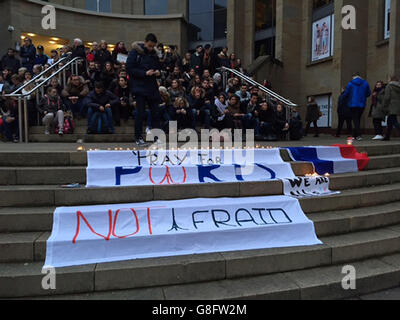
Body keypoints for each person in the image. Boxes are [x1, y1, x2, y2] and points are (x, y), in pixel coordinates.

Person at [126, 33, 162, 146]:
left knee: (155, 113)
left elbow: (159, 67)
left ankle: (157, 137)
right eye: (150, 46)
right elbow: (129, 68)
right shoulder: (135, 52)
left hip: (152, 87)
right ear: (145, 42)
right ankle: (138, 137)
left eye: (153, 46)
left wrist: (158, 72)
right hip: (139, 87)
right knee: (140, 113)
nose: (151, 48)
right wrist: (144, 73)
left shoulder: (154, 54)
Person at [342, 72, 371, 141]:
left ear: (353, 77)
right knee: (358, 119)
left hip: (352, 104)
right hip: (362, 104)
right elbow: (368, 93)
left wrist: (343, 98)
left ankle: (358, 135)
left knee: (355, 120)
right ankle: (355, 135)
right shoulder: (365, 83)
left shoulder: (350, 83)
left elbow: (346, 93)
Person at [383, 76, 400, 141]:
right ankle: (387, 136)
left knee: (394, 121)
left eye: (388, 79)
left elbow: (387, 97)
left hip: (391, 106)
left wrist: (384, 106)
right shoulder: (398, 86)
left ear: (391, 80)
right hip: (397, 106)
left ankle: (387, 136)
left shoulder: (389, 86)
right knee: (389, 121)